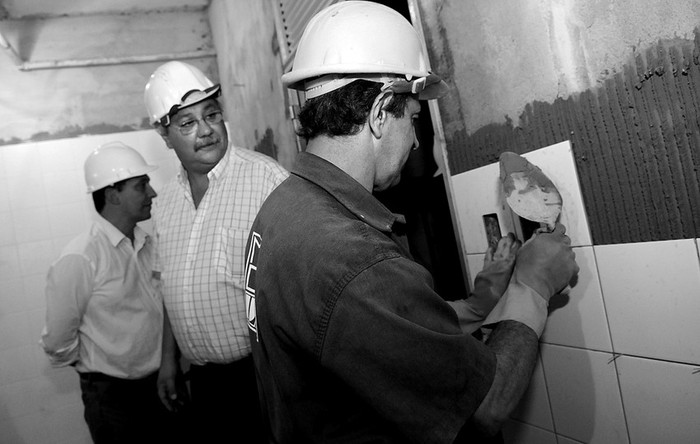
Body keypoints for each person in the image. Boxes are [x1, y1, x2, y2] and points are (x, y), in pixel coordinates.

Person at [243, 2, 579, 443]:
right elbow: (486, 404)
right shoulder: (352, 258)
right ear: (381, 111)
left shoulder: (284, 209)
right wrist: (531, 287)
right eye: (415, 120)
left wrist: (477, 307)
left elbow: (364, 336)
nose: (418, 139)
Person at [143, 60, 289, 443]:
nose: (206, 130)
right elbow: (170, 291)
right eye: (187, 123)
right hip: (204, 382)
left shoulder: (266, 179)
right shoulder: (165, 203)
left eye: (211, 114)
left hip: (265, 374)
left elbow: (302, 283)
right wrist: (169, 360)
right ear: (164, 133)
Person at [40, 142, 179, 443]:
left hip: (161, 382)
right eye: (141, 186)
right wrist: (99, 363)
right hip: (113, 397)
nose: (152, 194)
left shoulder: (149, 244)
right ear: (113, 194)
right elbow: (56, 341)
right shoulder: (81, 258)